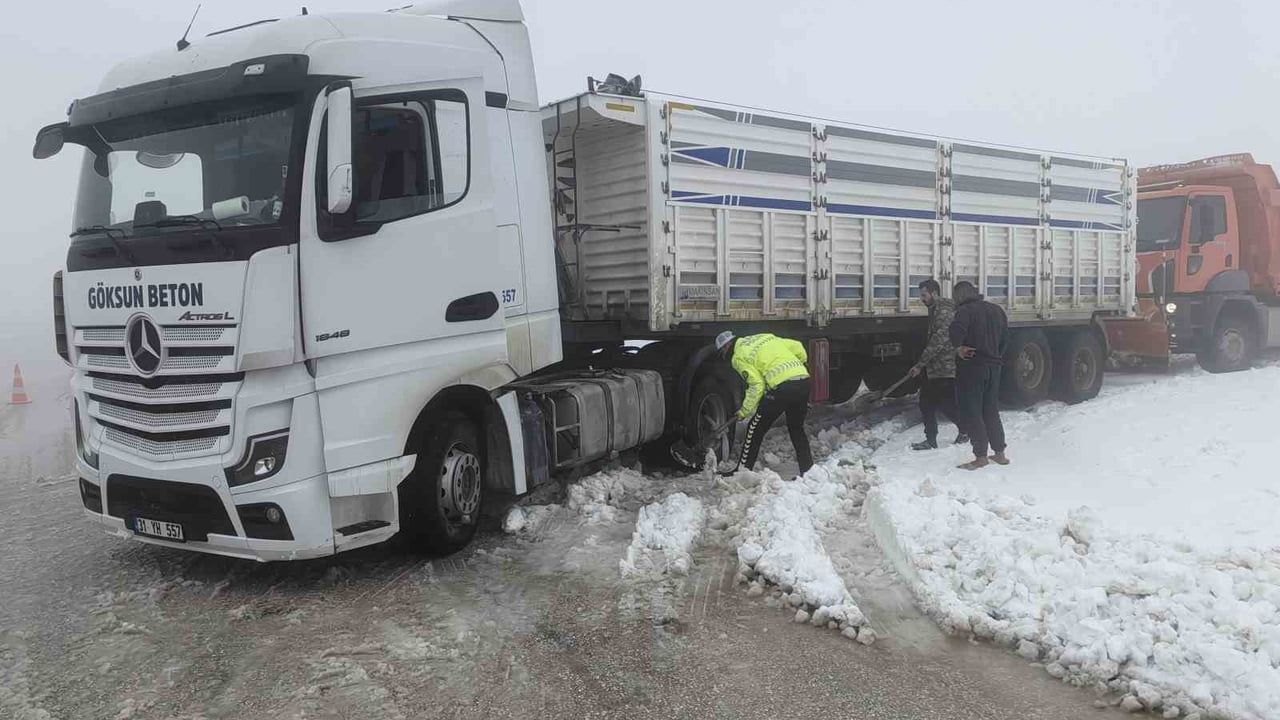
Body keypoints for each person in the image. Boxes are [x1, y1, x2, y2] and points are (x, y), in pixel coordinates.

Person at [715, 331, 813, 476]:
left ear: (727, 346)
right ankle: (808, 472)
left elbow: (756, 384)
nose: (723, 356)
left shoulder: (738, 356)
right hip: (803, 381)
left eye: (722, 352)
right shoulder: (765, 337)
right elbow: (798, 347)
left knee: (754, 428)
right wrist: (798, 366)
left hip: (782, 388)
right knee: (796, 429)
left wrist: (744, 411)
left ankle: (742, 472)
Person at [948, 281, 1010, 470]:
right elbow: (1005, 339)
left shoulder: (965, 312)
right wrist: (995, 355)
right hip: (994, 366)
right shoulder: (997, 310)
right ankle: (999, 453)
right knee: (991, 409)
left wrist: (958, 348)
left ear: (959, 296)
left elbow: (955, 334)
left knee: (973, 410)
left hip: (973, 368)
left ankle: (980, 456)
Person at [909, 279, 968, 451]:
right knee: (928, 402)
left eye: (924, 294)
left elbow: (938, 340)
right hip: (936, 367)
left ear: (934, 293)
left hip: (944, 367)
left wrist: (920, 364)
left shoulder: (943, 311)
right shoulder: (935, 309)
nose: (922, 298)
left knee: (943, 403)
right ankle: (933, 439)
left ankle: (963, 430)